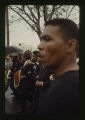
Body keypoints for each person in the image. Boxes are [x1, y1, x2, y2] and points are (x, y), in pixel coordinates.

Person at [36, 18, 79, 115]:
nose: (39, 46)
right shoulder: (64, 82)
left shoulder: (69, 89)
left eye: (47, 39)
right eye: (41, 39)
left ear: (70, 45)